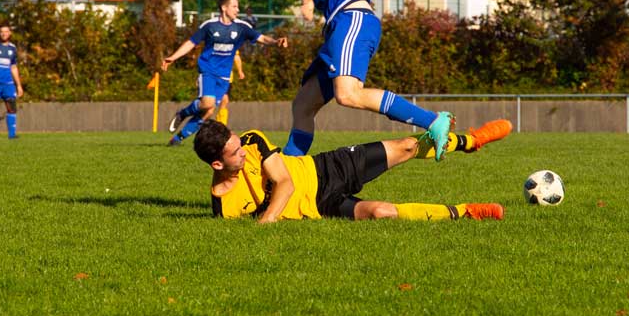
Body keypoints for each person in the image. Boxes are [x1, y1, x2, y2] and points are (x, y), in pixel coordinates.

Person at [256, 0, 454, 158]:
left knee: (347, 93)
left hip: (352, 19)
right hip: (341, 25)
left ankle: (433, 121)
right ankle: (289, 169)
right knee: (303, 104)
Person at [193, 118, 513, 222]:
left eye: (240, 145)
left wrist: (265, 222)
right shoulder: (224, 209)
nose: (245, 154)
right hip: (323, 206)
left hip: (327, 168)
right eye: (236, 154)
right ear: (217, 164)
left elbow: (286, 183)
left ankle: (471, 140)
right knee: (383, 213)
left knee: (406, 146)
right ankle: (467, 212)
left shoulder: (251, 140)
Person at [162, 0, 288, 146]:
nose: (238, 9)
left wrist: (275, 42)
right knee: (207, 104)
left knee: (208, 112)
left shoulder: (241, 27)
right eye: (234, 6)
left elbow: (261, 38)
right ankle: (182, 113)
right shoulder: (210, 26)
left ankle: (177, 139)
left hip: (224, 76)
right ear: (224, 8)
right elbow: (191, 42)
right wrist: (173, 57)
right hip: (208, 70)